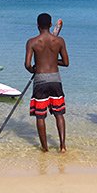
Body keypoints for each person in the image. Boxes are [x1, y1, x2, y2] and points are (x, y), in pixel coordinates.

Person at [25, 13, 69, 152]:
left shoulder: (32, 42)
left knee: (40, 115)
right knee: (59, 113)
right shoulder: (59, 41)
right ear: (50, 25)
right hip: (55, 79)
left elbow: (27, 65)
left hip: (40, 79)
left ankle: (45, 148)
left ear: (37, 25)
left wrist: (35, 68)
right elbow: (66, 63)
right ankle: (62, 146)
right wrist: (52, 60)